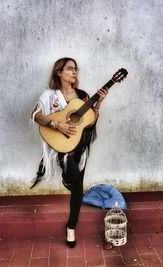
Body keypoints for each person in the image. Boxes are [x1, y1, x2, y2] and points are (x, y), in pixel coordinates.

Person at [31, 57, 108, 248]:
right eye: (70, 68)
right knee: (72, 175)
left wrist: (98, 104)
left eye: (76, 69)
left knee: (77, 189)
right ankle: (66, 172)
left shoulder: (82, 95)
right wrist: (57, 124)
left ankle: (71, 227)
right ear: (59, 72)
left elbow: (90, 120)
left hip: (79, 147)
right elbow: (35, 115)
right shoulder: (50, 95)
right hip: (60, 146)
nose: (74, 72)